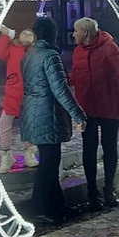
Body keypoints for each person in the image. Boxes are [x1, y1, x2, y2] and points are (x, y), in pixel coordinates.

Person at [20, 17, 87, 224]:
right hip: (46, 113)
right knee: (49, 164)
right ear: (53, 34)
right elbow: (60, 90)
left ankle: (57, 208)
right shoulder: (50, 56)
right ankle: (40, 208)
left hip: (32, 111)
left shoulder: (30, 55)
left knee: (49, 161)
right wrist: (79, 115)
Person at [70, 17, 119, 211]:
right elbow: (77, 77)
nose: (73, 34)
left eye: (76, 31)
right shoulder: (78, 51)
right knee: (89, 150)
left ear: (85, 33)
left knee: (109, 148)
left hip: (108, 107)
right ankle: (92, 192)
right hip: (87, 109)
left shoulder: (109, 48)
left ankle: (108, 190)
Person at [0, 25, 38, 173]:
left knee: (29, 124)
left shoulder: (35, 52)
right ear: (18, 36)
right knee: (4, 122)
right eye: (24, 33)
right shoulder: (13, 49)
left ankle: (29, 152)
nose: (26, 35)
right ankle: (6, 154)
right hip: (13, 91)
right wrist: (5, 36)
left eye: (30, 35)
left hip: (30, 93)